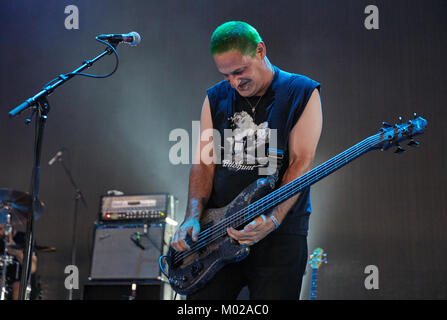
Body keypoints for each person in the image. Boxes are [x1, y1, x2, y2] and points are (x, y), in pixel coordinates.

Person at [171, 21, 323, 300]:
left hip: (280, 235)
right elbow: (204, 162)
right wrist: (191, 217)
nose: (234, 82)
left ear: (260, 51)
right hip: (216, 234)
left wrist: (273, 218)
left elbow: (301, 162)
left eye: (240, 72)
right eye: (226, 75)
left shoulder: (301, 92)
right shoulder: (215, 97)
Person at [0, 224, 38, 300]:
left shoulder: (24, 238)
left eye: (1, 228)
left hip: (20, 281)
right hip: (3, 279)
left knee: (18, 286)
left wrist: (15, 251)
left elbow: (32, 268)